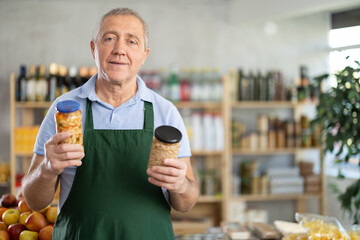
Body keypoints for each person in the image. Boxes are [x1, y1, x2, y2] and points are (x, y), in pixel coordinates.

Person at [22, 7, 199, 240]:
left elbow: (187, 202)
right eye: (109, 39)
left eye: (131, 41)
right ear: (94, 48)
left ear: (144, 55)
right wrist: (47, 169)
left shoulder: (165, 112)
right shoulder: (64, 110)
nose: (119, 50)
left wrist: (180, 186)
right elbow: (34, 201)